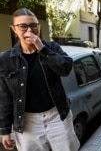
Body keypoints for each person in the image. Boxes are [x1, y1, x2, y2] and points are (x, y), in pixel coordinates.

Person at [0, 8, 80, 151]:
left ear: (39, 27)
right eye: (23, 26)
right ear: (14, 30)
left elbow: (65, 69)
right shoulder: (5, 60)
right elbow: (4, 98)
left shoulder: (52, 47)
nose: (29, 30)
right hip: (26, 121)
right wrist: (5, 130)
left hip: (57, 116)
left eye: (33, 25)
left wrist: (41, 48)